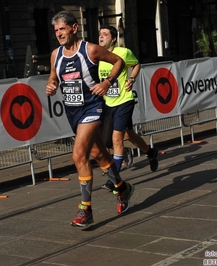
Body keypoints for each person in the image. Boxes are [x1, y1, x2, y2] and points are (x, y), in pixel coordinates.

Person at [45, 11, 135, 227]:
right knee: (97, 153)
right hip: (72, 111)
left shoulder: (91, 49)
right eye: (56, 30)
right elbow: (53, 76)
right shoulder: (55, 54)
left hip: (92, 108)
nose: (59, 34)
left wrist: (107, 83)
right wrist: (51, 84)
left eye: (62, 29)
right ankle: (123, 188)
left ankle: (86, 210)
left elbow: (119, 62)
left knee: (78, 155)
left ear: (74, 28)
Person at [98, 25, 159, 191]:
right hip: (109, 103)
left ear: (114, 38)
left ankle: (114, 178)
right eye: (99, 34)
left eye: (105, 34)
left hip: (125, 100)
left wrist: (131, 78)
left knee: (117, 138)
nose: (101, 37)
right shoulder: (98, 56)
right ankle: (150, 152)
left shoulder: (123, 53)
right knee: (127, 135)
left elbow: (137, 64)